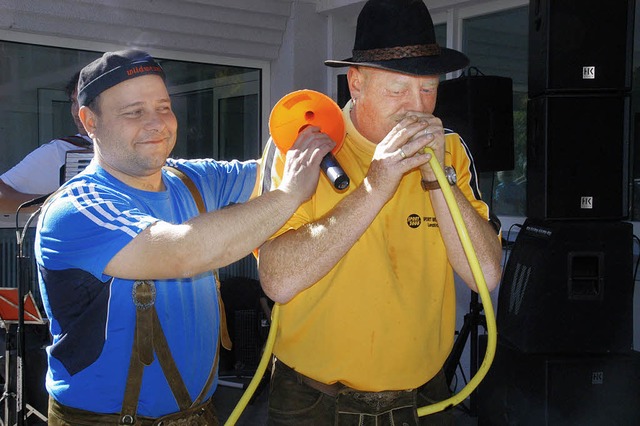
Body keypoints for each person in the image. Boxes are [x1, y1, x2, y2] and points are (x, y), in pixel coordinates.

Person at [34, 49, 333, 425]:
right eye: (134, 112)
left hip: (200, 415)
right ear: (89, 121)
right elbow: (183, 251)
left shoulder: (191, 180)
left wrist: (334, 132)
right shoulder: (77, 208)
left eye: (163, 107)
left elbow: (272, 170)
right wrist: (289, 194)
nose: (157, 123)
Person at [258, 1, 503, 425]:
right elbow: (277, 281)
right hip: (314, 400)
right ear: (356, 84)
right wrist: (377, 183)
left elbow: (486, 275)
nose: (417, 107)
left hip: (423, 396)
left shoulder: (451, 152)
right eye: (398, 90)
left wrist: (436, 179)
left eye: (428, 89)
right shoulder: (302, 145)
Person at [0, 71, 93, 214]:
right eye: (74, 102)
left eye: (83, 102)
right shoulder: (58, 151)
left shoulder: (130, 147)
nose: (76, 112)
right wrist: (60, 205)